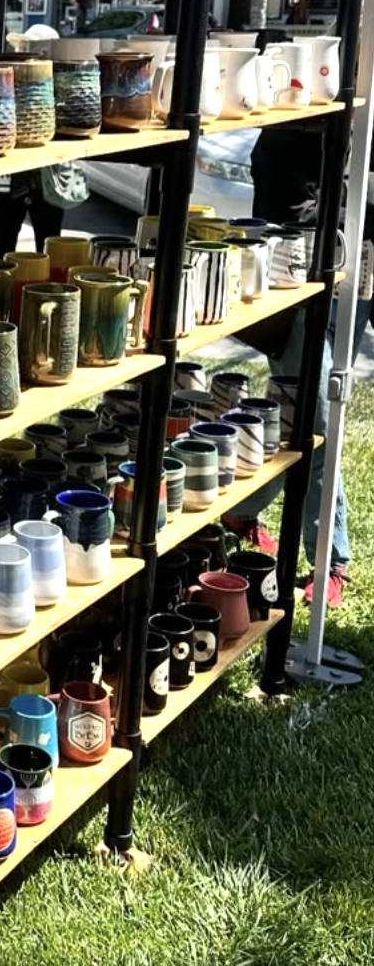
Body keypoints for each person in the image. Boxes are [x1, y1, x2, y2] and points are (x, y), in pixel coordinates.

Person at [217, 119, 350, 606]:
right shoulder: (296, 124)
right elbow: (285, 207)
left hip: (356, 269)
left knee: (308, 415)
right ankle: (330, 557)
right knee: (315, 417)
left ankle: (241, 507)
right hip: (301, 275)